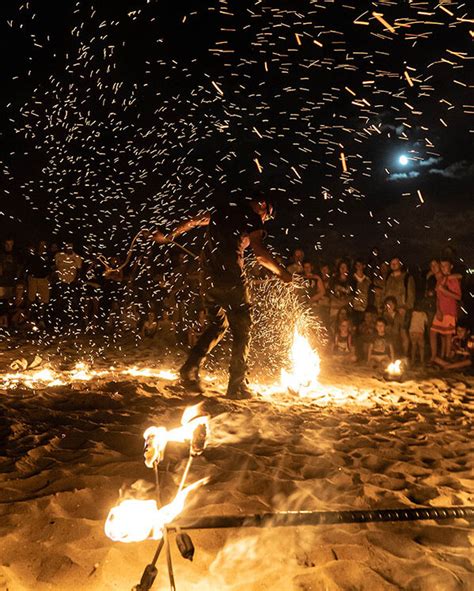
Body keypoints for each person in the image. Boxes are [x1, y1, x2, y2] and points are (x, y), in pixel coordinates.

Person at [152, 191, 292, 399]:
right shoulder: (252, 218)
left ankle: (189, 369)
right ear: (262, 204)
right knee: (243, 330)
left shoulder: (223, 210)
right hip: (231, 280)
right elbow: (261, 255)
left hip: (207, 279)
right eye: (267, 215)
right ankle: (237, 386)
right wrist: (283, 274)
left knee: (218, 325)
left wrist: (169, 236)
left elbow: (192, 221)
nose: (265, 219)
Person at [430, 258, 462, 361]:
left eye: (445, 266)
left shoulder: (453, 279)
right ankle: (434, 356)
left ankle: (447, 357)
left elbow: (458, 297)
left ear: (451, 266)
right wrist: (438, 309)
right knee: (433, 332)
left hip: (449, 311)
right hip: (441, 311)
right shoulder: (441, 279)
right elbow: (438, 297)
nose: (443, 268)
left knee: (448, 335)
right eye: (442, 266)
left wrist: (444, 290)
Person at [383, 257, 415, 355]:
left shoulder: (407, 278)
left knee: (403, 333)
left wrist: (405, 308)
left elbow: (411, 295)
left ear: (401, 264)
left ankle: (404, 356)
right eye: (392, 263)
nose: (394, 264)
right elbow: (385, 293)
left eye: (396, 263)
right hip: (390, 309)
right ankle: (393, 354)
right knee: (391, 332)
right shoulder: (389, 278)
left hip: (402, 310)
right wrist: (384, 306)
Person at [328, 259, 352, 329]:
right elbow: (330, 293)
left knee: (345, 325)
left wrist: (344, 302)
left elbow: (353, 295)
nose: (342, 269)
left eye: (344, 267)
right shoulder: (333, 279)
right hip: (335, 306)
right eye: (341, 267)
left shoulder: (351, 280)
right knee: (333, 325)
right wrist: (338, 302)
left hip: (346, 307)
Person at [351, 259, 371, 326]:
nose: (358, 266)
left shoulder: (368, 280)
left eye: (360, 265)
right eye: (357, 265)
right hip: (353, 308)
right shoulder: (351, 278)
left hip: (364, 308)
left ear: (364, 266)